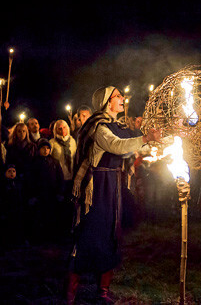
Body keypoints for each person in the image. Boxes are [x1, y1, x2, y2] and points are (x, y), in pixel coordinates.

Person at [66, 86, 161, 304]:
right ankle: (71, 290)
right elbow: (117, 146)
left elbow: (133, 146)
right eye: (117, 96)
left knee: (111, 234)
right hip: (97, 187)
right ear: (107, 102)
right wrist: (146, 138)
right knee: (90, 233)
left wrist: (157, 144)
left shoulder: (118, 126)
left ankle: (103, 290)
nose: (122, 99)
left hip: (114, 185)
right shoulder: (98, 127)